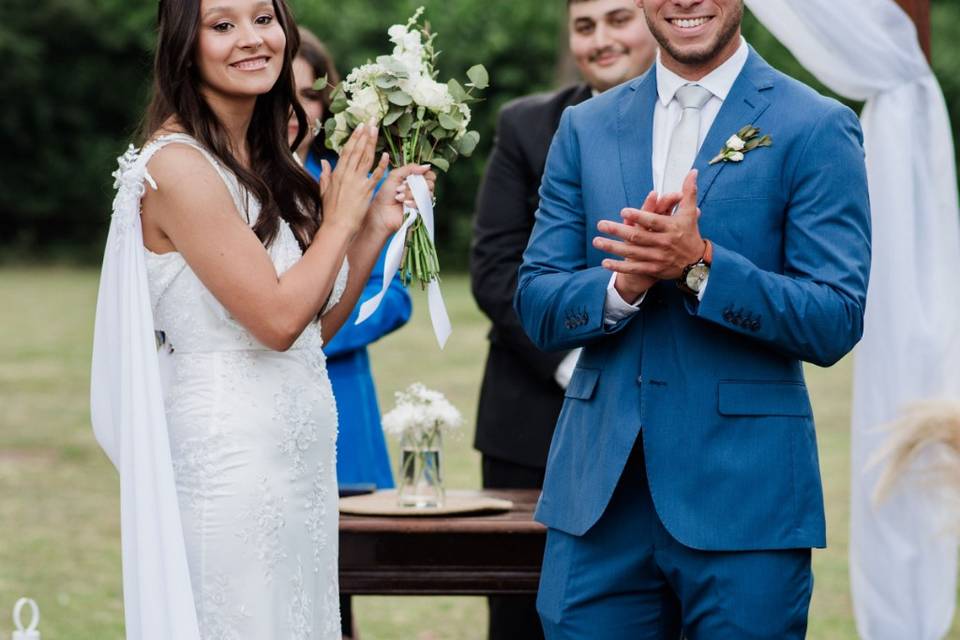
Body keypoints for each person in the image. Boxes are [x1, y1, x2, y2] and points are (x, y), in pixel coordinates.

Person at [515, 0, 871, 637]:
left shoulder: (815, 125)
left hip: (746, 498)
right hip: (597, 498)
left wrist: (700, 266)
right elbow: (537, 302)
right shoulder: (585, 126)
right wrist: (622, 285)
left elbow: (834, 317)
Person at [89, 0, 434, 638]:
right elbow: (276, 322)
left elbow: (308, 334)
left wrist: (373, 226)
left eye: (264, 19)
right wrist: (340, 220)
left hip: (295, 460)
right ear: (185, 45)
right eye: (223, 25)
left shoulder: (262, 158)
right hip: (231, 461)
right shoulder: (177, 166)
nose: (251, 39)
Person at [469, 1, 655, 638]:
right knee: (525, 615)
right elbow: (495, 271)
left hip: (664, 421)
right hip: (534, 424)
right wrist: (576, 361)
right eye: (584, 27)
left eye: (618, 20)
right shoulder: (528, 125)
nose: (601, 40)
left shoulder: (709, 130)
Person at [289, 26, 413, 640]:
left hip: (341, 400)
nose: (294, 108)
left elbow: (392, 297)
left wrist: (299, 332)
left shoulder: (351, 178)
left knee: (335, 593)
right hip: (251, 412)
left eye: (309, 94)